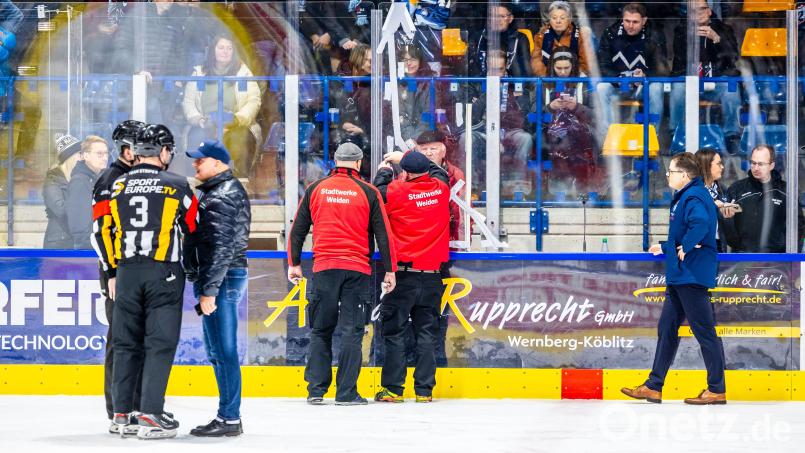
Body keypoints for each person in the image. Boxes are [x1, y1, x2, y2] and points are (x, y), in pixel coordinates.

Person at [99, 124, 198, 439]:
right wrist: (194, 269)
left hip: (126, 272)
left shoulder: (117, 185)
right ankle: (151, 413)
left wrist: (111, 271)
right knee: (159, 343)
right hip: (163, 273)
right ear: (164, 151)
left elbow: (100, 231)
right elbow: (194, 228)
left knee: (125, 343)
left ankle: (122, 414)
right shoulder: (177, 184)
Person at [287, 142, 397, 406]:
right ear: (359, 163)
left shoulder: (315, 188)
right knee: (352, 331)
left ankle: (316, 390)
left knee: (320, 329)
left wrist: (294, 263)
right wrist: (390, 270)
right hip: (356, 270)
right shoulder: (369, 191)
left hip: (324, 268)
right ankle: (346, 393)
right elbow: (384, 234)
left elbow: (297, 229)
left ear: (335, 162)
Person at [622, 152, 726, 405]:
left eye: (671, 171)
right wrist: (668, 247)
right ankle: (653, 386)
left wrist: (686, 246)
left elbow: (700, 225)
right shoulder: (688, 195)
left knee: (704, 331)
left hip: (691, 275)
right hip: (681, 275)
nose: (668, 175)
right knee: (667, 328)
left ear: (685, 175)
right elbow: (687, 231)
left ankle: (716, 389)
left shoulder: (693, 195)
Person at [184, 141, 250, 437]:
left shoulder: (223, 195)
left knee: (224, 350)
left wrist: (209, 289)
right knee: (217, 351)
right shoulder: (215, 191)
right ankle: (227, 415)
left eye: (202, 160)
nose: (195, 164)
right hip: (219, 277)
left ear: (220, 163)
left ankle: (229, 418)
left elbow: (222, 248)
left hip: (222, 279)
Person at [372, 150, 450, 403]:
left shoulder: (397, 191)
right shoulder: (440, 189)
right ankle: (424, 391)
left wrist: (385, 169)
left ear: (405, 172)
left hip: (402, 276)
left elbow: (377, 192)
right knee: (427, 333)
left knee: (394, 332)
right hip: (432, 276)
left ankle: (393, 389)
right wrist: (405, 155)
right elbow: (439, 172)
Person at [90, 119, 145, 434]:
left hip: (135, 270)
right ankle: (118, 411)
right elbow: (99, 232)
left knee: (135, 338)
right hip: (117, 272)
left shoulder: (136, 177)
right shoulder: (109, 180)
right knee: (121, 339)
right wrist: (111, 272)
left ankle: (135, 406)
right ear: (125, 148)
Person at [183, 34, 262, 178]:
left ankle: (240, 183)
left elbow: (254, 100)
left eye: (229, 48)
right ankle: (196, 184)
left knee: (242, 140)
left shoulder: (243, 72)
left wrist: (236, 120)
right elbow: (188, 102)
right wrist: (200, 120)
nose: (225, 51)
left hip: (235, 124)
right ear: (213, 50)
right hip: (206, 123)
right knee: (196, 138)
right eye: (221, 47)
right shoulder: (199, 72)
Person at [669, 0, 741, 154]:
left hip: (717, 80)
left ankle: (731, 135)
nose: (698, 13)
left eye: (702, 9)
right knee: (678, 88)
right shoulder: (681, 30)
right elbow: (679, 56)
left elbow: (733, 57)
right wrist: (691, 39)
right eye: (694, 11)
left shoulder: (724, 29)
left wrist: (716, 39)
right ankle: (675, 133)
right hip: (690, 81)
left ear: (709, 11)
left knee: (731, 89)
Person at [460, 49, 533, 197]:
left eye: (499, 70)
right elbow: (471, 117)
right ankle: (472, 188)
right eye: (492, 70)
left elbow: (522, 117)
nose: (496, 75)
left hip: (509, 132)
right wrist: (486, 95)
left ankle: (518, 189)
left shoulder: (517, 84)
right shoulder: (475, 84)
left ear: (506, 66)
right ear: (486, 66)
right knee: (465, 138)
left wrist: (508, 100)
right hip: (484, 132)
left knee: (525, 138)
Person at [596, 3, 668, 137]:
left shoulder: (654, 35)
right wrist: (619, 78)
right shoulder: (610, 34)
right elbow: (602, 65)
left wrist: (645, 75)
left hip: (643, 85)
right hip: (618, 84)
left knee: (657, 87)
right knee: (601, 88)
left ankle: (652, 136)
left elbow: (661, 68)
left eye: (635, 22)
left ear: (644, 21)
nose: (630, 25)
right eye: (627, 21)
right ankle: (608, 136)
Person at [722, 144, 805, 252]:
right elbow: (728, 230)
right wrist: (727, 220)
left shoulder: (786, 191)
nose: (756, 168)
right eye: (753, 163)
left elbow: (798, 227)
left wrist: (791, 257)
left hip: (777, 258)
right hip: (743, 257)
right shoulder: (736, 189)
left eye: (761, 164)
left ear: (771, 165)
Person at [543, 47, 598, 197]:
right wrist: (550, 107)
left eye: (566, 68)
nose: (562, 72)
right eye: (558, 68)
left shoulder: (585, 83)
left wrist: (576, 107)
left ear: (573, 67)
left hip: (581, 131)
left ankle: (578, 183)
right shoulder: (543, 84)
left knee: (573, 134)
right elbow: (532, 116)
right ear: (552, 67)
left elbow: (596, 115)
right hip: (550, 131)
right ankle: (559, 185)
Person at [467, 2, 532, 77]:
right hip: (481, 83)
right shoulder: (478, 37)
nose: (498, 20)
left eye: (502, 16)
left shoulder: (520, 39)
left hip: (511, 83)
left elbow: (525, 70)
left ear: (510, 19)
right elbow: (471, 68)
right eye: (494, 16)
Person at [67, 136, 109, 249]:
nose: (105, 158)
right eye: (99, 154)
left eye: (106, 154)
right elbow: (79, 221)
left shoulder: (99, 179)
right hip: (88, 247)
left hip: (98, 242)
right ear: (86, 156)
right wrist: (89, 244)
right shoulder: (80, 181)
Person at [530, 1, 592, 76]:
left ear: (569, 19)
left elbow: (586, 62)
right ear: (549, 20)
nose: (558, 21)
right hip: (549, 78)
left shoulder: (580, 36)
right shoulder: (540, 36)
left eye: (562, 18)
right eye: (554, 18)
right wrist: (549, 77)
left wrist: (573, 75)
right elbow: (536, 61)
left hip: (574, 78)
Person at [43, 134, 83, 249]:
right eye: (79, 154)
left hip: (75, 240)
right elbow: (61, 210)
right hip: (58, 243)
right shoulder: (52, 181)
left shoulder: (77, 179)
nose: (82, 158)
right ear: (69, 157)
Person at [694, 149, 729, 252]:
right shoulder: (692, 190)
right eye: (718, 164)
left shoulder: (722, 189)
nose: (722, 167)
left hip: (718, 243)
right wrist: (712, 206)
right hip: (698, 244)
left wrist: (727, 214)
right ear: (706, 166)